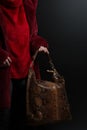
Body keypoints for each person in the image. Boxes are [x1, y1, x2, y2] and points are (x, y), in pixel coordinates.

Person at [0, 0, 49, 129]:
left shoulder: (27, 4)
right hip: (5, 74)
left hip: (26, 70)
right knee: (3, 117)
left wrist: (39, 45)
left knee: (23, 117)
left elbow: (32, 36)